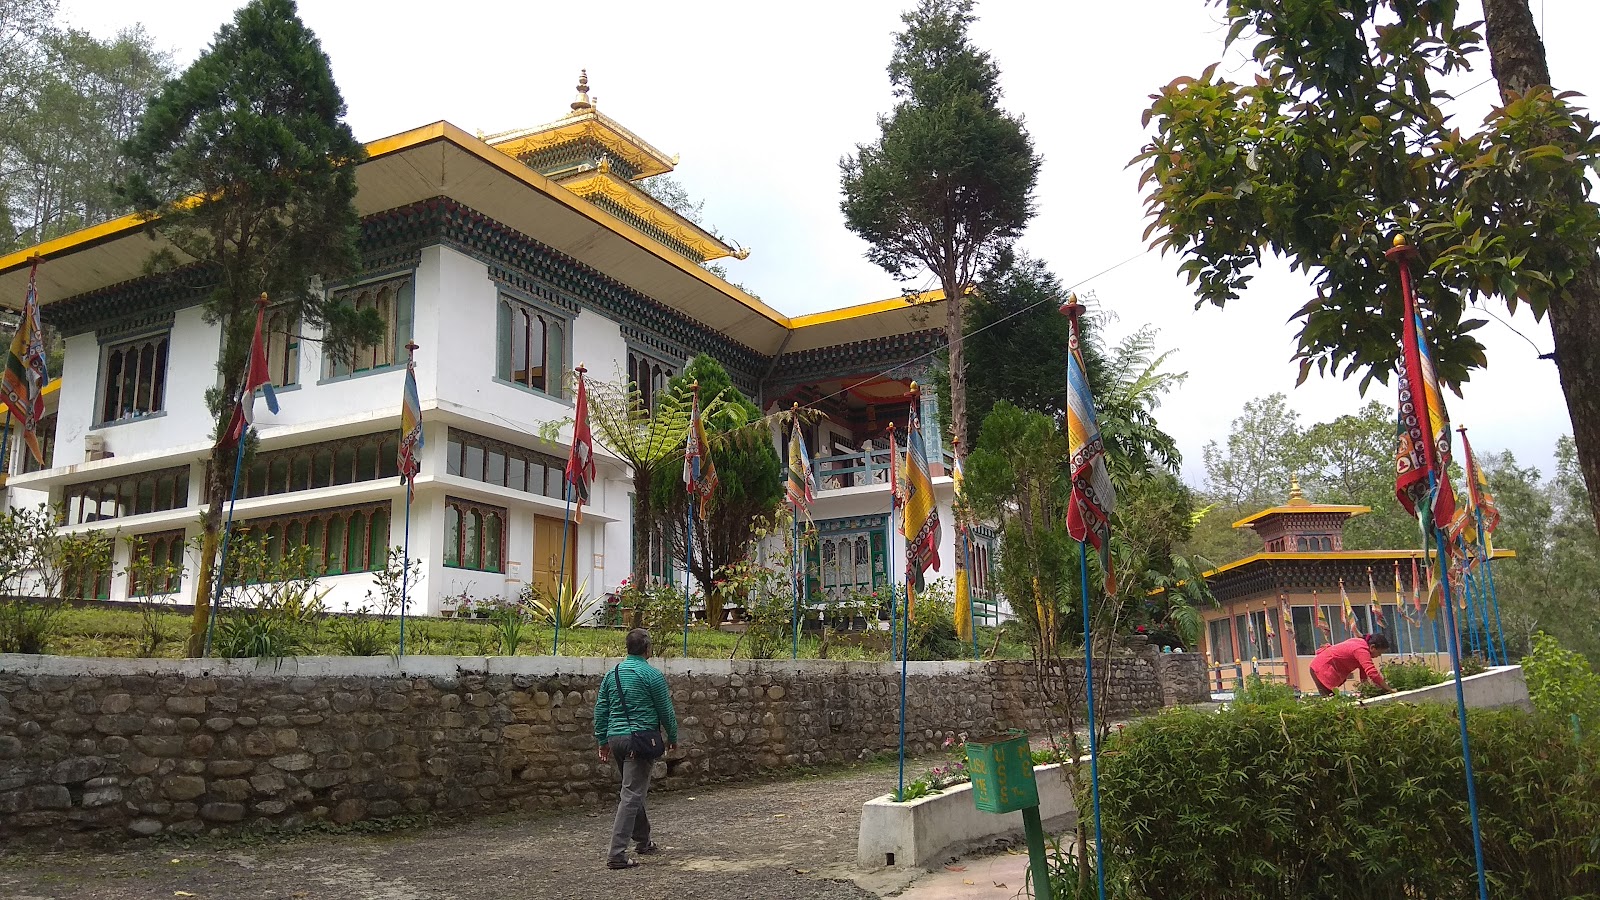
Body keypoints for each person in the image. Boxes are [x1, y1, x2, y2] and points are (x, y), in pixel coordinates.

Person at [593, 628, 679, 870]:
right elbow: (666, 710)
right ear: (647, 649)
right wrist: (672, 736)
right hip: (639, 740)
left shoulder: (613, 674)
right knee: (631, 794)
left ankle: (643, 841)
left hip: (616, 738)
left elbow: (601, 709)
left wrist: (602, 740)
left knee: (633, 788)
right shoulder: (651, 675)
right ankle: (616, 854)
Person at [1309, 632, 1392, 697]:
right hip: (1322, 668)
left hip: (1320, 665)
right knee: (1330, 702)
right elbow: (1372, 672)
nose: (1379, 655)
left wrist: (1367, 690)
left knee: (1331, 700)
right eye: (1380, 652)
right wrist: (1388, 689)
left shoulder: (1361, 645)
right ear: (1372, 647)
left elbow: (1363, 675)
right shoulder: (1361, 650)